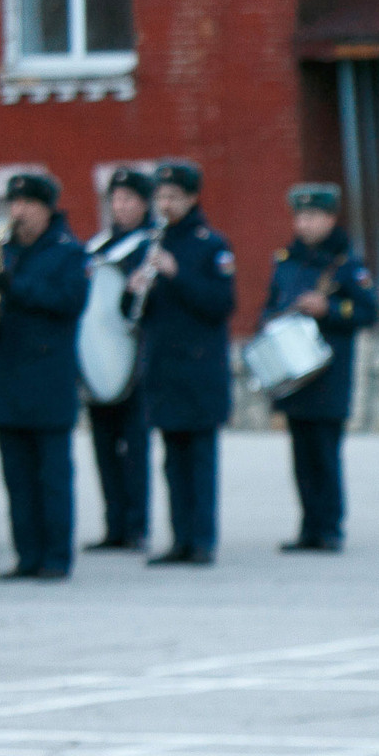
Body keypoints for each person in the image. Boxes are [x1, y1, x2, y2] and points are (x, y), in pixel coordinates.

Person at [260, 183, 379, 553]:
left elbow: (368, 312)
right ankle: (308, 527)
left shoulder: (347, 265)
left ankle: (329, 528)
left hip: (328, 372)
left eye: (313, 216)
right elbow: (269, 307)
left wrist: (329, 310)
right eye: (300, 216)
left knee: (325, 453)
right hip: (292, 373)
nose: (305, 224)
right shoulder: (286, 260)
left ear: (330, 218)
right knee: (301, 455)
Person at [129, 162, 236, 567]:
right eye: (161, 197)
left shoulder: (211, 245)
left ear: (192, 198)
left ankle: (202, 541)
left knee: (199, 459)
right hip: (162, 369)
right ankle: (178, 539)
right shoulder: (151, 243)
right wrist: (133, 289)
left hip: (199, 370)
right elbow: (137, 314)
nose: (165, 204)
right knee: (172, 459)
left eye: (173, 196)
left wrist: (177, 274)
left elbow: (221, 305)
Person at [0, 172, 89, 581]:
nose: (18, 212)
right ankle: (26, 555)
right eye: (14, 204)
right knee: (16, 475)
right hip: (6, 374)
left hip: (49, 377)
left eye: (27, 204)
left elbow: (69, 302)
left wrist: (16, 288)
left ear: (46, 208)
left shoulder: (68, 252)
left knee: (51, 475)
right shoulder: (1, 251)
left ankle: (55, 557)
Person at [80, 169, 156, 553]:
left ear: (145, 204)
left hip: (134, 362)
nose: (122, 207)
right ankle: (113, 524)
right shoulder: (96, 247)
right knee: (104, 447)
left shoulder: (150, 246)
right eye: (117, 199)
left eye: (130, 200)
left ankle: (135, 525)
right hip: (98, 360)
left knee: (134, 447)